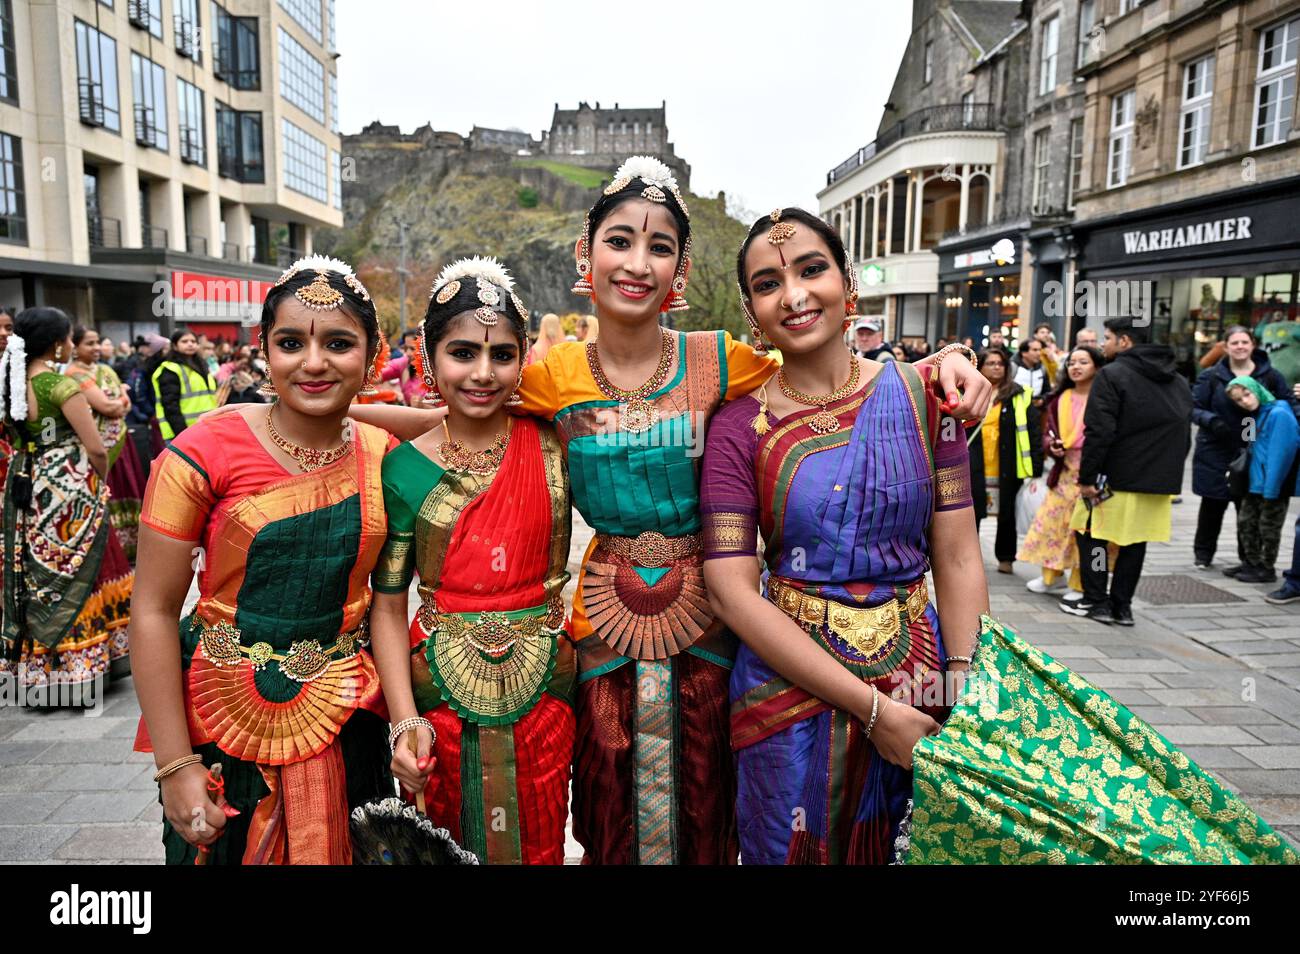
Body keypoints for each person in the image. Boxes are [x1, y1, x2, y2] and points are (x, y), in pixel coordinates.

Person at [345, 162, 994, 864]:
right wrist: (325, 413)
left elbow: (818, 377)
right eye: (619, 241)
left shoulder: (722, 360)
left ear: (680, 270)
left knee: (715, 808)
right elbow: (459, 415)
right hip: (602, 626)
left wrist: (931, 369)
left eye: (659, 248)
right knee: (608, 803)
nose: (637, 263)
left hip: (716, 619)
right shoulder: (550, 374)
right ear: (584, 256)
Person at [701, 208, 985, 864]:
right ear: (752, 312)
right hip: (787, 687)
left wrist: (967, 684)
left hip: (923, 674)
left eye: (811, 269)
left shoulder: (923, 397)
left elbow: (959, 552)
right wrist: (875, 712)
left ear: (848, 285)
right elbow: (731, 591)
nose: (795, 295)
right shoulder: (736, 428)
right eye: (769, 283)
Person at [130, 256, 396, 864]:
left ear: (372, 353)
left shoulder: (383, 453)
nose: (313, 362)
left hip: (347, 721)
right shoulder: (203, 450)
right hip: (224, 716)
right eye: (290, 343)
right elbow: (152, 609)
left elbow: (459, 422)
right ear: (264, 349)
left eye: (338, 343)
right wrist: (175, 766)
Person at [370, 257, 575, 865]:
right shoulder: (404, 469)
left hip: (549, 686)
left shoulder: (553, 437)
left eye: (503, 356)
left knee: (541, 836)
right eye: (462, 354)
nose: (483, 374)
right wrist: (403, 721)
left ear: (524, 358)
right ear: (428, 357)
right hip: (438, 688)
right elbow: (386, 606)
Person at [1, 307, 133, 697]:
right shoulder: (61, 388)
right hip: (68, 487)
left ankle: (39, 672)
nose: (73, 345)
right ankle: (82, 670)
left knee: (33, 572)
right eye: (69, 339)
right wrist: (98, 482)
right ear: (58, 346)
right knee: (79, 571)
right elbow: (94, 446)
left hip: (23, 484)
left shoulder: (9, 384)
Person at [1062, 318, 1192, 626]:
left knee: (1091, 534)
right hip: (1156, 479)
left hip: (1113, 477)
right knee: (1136, 542)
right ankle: (1122, 606)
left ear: (1124, 342)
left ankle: (1097, 600)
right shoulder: (1177, 379)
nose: (1103, 345)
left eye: (1107, 338)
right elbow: (1184, 431)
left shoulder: (1113, 374)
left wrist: (1088, 477)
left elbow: (1099, 430)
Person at [1190, 326, 1290, 571]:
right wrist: (1212, 421)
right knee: (1212, 503)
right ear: (1225, 346)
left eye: (1244, 342)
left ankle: (1248, 558)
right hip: (1216, 447)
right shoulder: (1211, 375)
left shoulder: (1270, 375)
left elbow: (1285, 403)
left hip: (1252, 447)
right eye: (1234, 343)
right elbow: (1193, 407)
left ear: (1253, 344)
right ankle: (1203, 554)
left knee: (1246, 506)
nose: (1240, 347)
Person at [1018, 346, 1105, 601]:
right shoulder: (1060, 398)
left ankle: (1079, 584)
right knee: (1052, 526)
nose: (1076, 367)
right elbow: (1047, 434)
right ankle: (1051, 577)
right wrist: (1051, 446)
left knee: (1084, 530)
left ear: (1097, 367)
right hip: (1063, 472)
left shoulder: (1104, 397)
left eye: (1083, 362)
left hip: (1091, 473)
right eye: (1072, 363)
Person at [66, 326, 148, 563]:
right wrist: (121, 397)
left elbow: (126, 406)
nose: (96, 348)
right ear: (75, 347)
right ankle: (115, 553)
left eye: (97, 343)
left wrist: (119, 401)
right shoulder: (74, 374)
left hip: (122, 442)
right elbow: (108, 407)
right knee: (108, 494)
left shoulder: (105, 370)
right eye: (89, 344)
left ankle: (133, 549)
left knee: (129, 489)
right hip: (98, 446)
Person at [967, 348, 1041, 574]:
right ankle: (971, 557)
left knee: (1007, 513)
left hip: (1007, 463)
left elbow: (1033, 430)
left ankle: (1006, 558)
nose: (996, 366)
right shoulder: (968, 392)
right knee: (973, 511)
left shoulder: (1020, 394)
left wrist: (1036, 466)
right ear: (980, 367)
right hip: (975, 462)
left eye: (1000, 363)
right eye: (990, 363)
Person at [1224, 377, 1298, 584]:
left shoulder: (1279, 413)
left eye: (1247, 395)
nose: (1245, 402)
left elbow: (1281, 453)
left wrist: (1272, 489)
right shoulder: (1253, 415)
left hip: (1272, 484)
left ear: (1257, 390)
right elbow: (1248, 443)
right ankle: (1252, 562)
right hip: (1254, 481)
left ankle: (1266, 568)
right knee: (1247, 523)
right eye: (1239, 400)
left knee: (1268, 527)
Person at [151, 330, 218, 441]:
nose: (190, 344)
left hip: (206, 428)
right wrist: (182, 434)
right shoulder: (170, 370)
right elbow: (170, 406)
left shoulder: (202, 366)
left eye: (193, 341)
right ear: (175, 346)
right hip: (181, 432)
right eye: (184, 341)